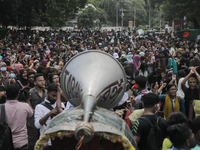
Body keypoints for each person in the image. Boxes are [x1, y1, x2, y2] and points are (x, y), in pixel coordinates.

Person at [1, 84, 33, 150]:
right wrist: (28, 101)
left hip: (5, 143)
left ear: (5, 95)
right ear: (18, 95)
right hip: (22, 142)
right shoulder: (25, 106)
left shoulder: (1, 108)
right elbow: (31, 115)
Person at [34, 83, 65, 148]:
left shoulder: (61, 105)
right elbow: (37, 125)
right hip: (46, 143)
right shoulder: (39, 107)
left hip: (60, 142)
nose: (55, 98)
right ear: (47, 93)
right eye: (53, 95)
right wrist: (49, 114)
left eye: (57, 96)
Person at [27, 73, 47, 150]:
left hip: (44, 122)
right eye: (40, 81)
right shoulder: (30, 92)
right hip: (33, 122)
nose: (42, 82)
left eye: (43, 80)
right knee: (33, 143)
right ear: (35, 83)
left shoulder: (47, 92)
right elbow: (27, 104)